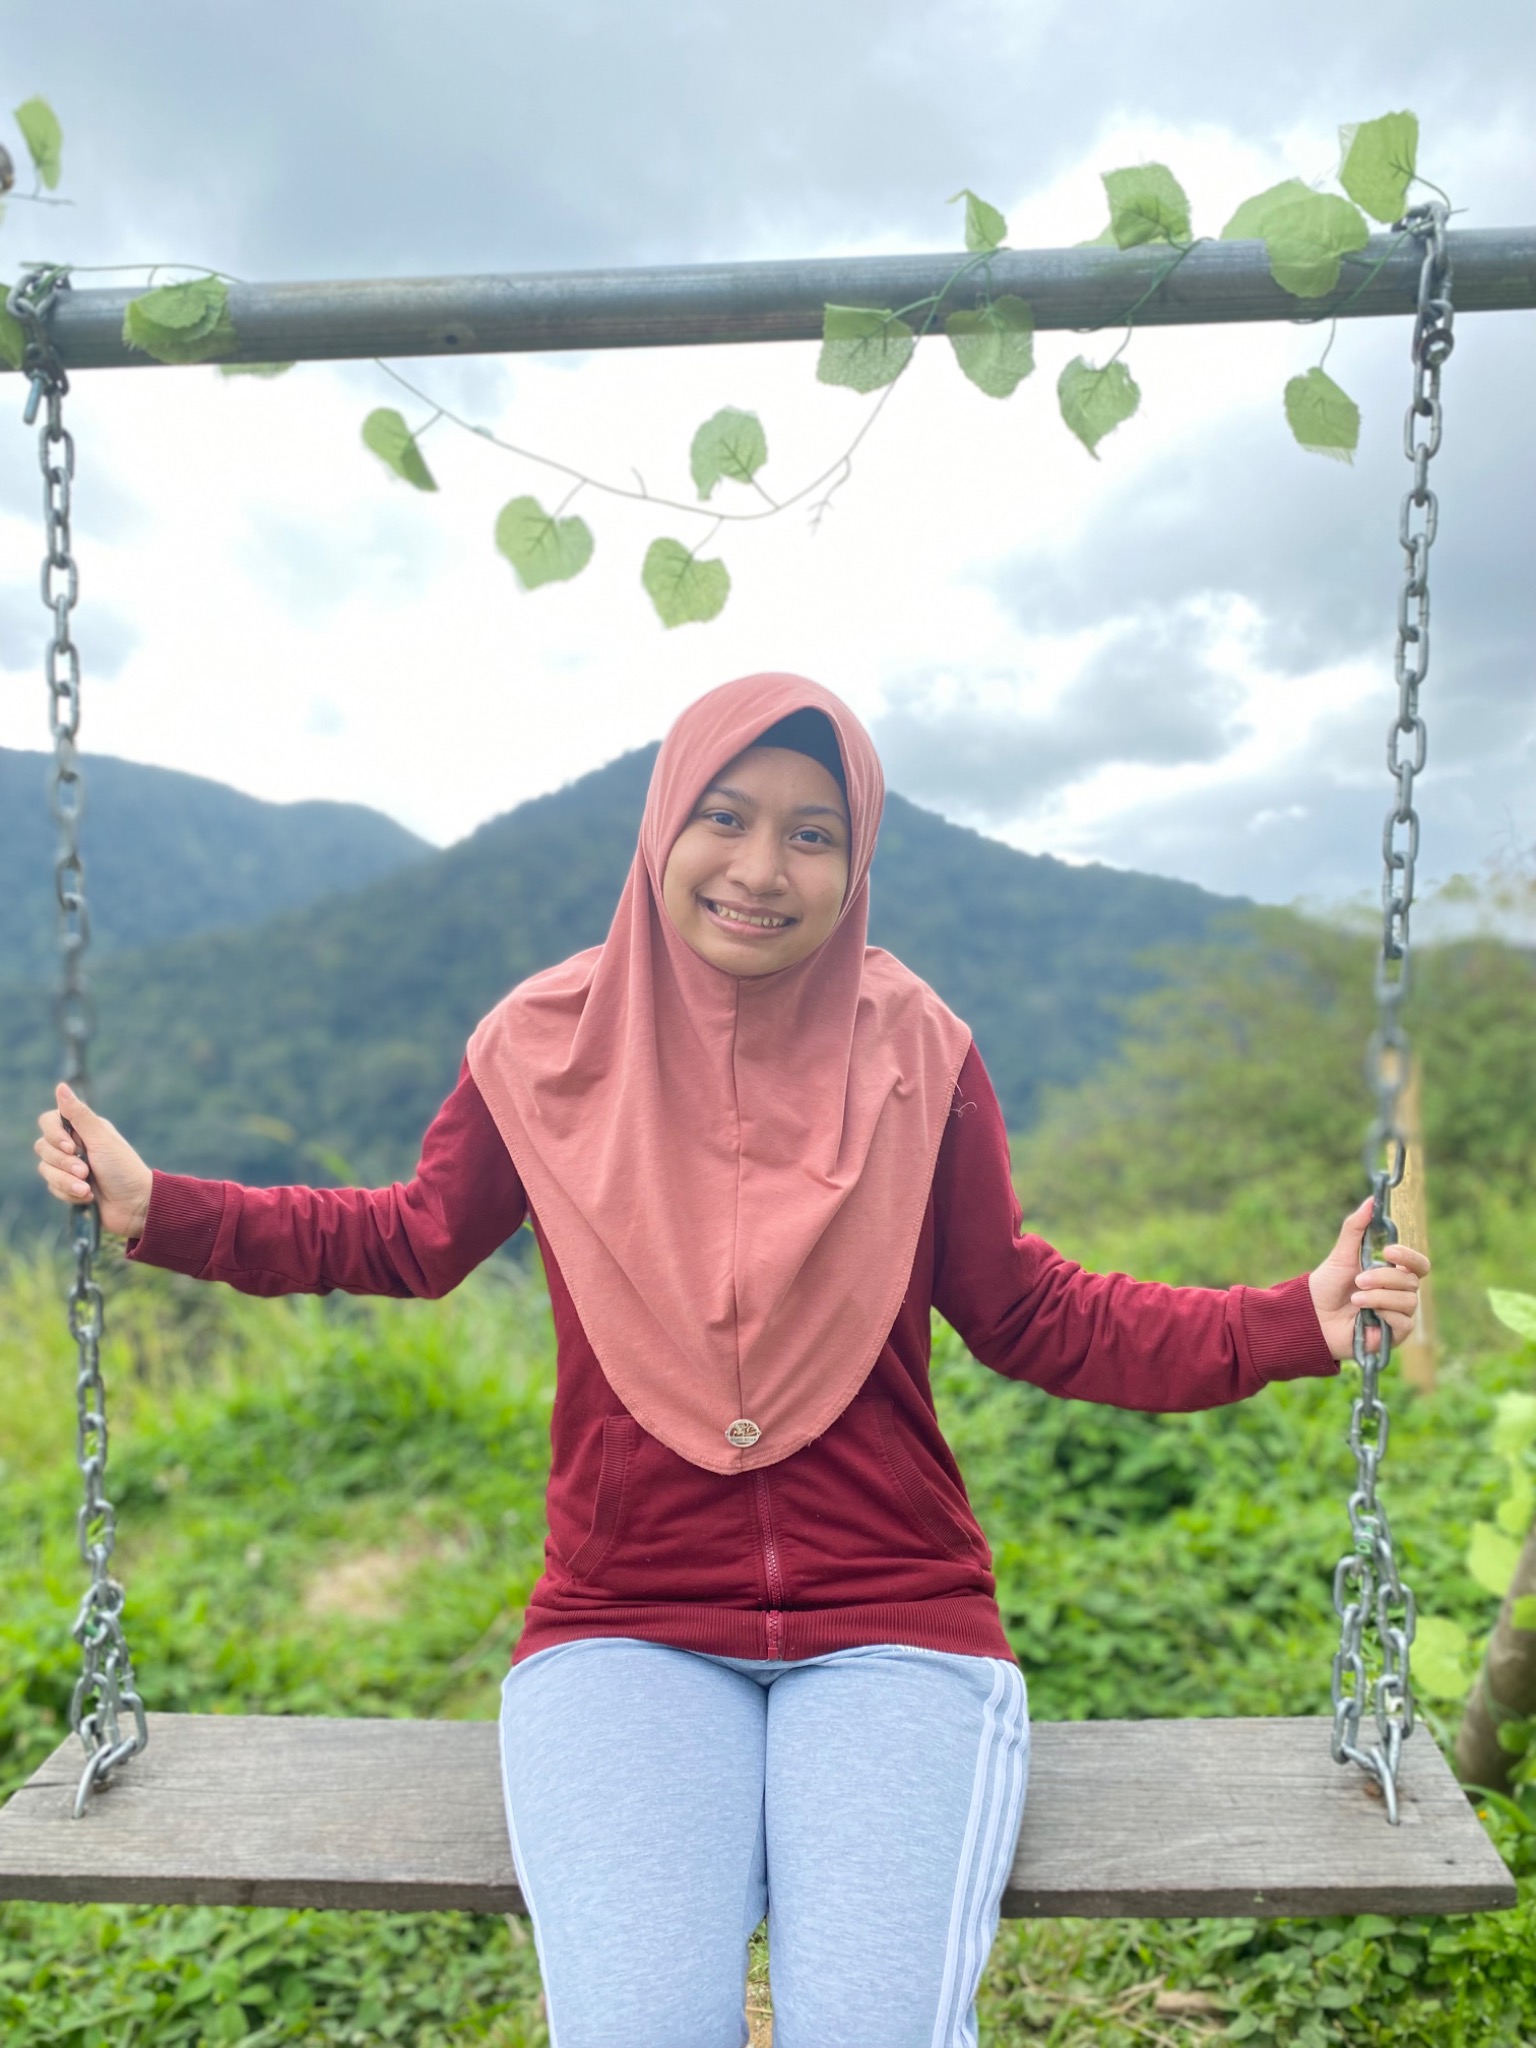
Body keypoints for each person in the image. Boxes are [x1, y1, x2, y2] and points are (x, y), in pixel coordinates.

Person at [35, 673, 1427, 2048]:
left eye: (813, 833)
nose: (762, 869)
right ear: (663, 825)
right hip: (625, 1616)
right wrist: (165, 1210)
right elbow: (411, 1236)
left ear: (855, 862)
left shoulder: (918, 1051)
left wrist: (1288, 1323)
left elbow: (1030, 1309)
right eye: (726, 816)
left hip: (893, 1616)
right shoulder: (539, 1047)